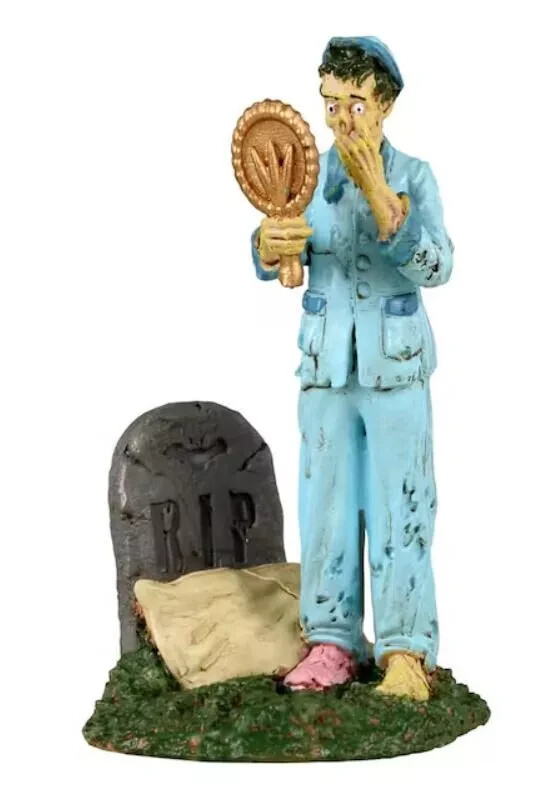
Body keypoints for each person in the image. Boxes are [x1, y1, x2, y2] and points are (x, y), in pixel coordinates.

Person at [251, 36, 453, 700]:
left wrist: (386, 203)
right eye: (331, 103)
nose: (342, 118)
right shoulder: (308, 178)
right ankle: (331, 640)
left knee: (401, 502)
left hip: (395, 367)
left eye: (356, 103)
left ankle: (405, 649)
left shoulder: (414, 176)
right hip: (326, 365)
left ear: (385, 104)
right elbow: (277, 243)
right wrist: (267, 245)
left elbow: (438, 265)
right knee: (326, 504)